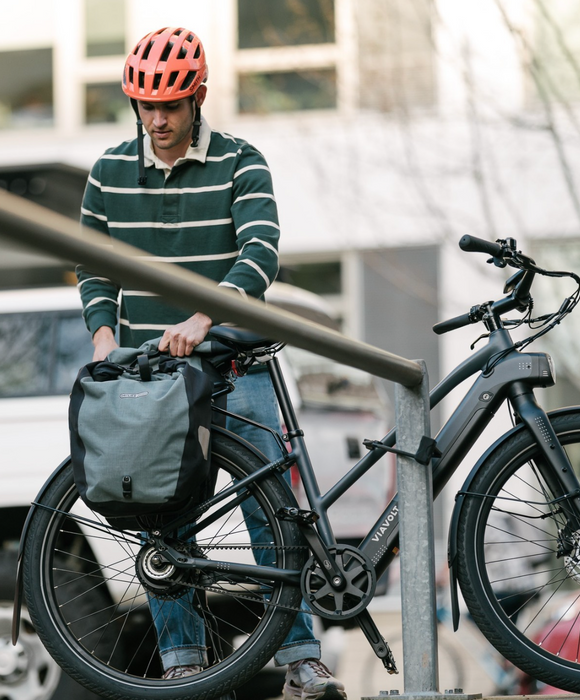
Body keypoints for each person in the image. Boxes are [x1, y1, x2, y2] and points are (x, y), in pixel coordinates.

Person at [77, 26, 347, 700]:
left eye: (170, 105)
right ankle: (186, 663)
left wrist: (204, 319)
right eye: (146, 106)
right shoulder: (109, 170)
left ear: (197, 96)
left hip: (234, 364)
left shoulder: (240, 161)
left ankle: (301, 659)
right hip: (151, 377)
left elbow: (261, 253)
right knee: (163, 520)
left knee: (272, 514)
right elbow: (92, 266)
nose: (158, 120)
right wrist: (102, 336)